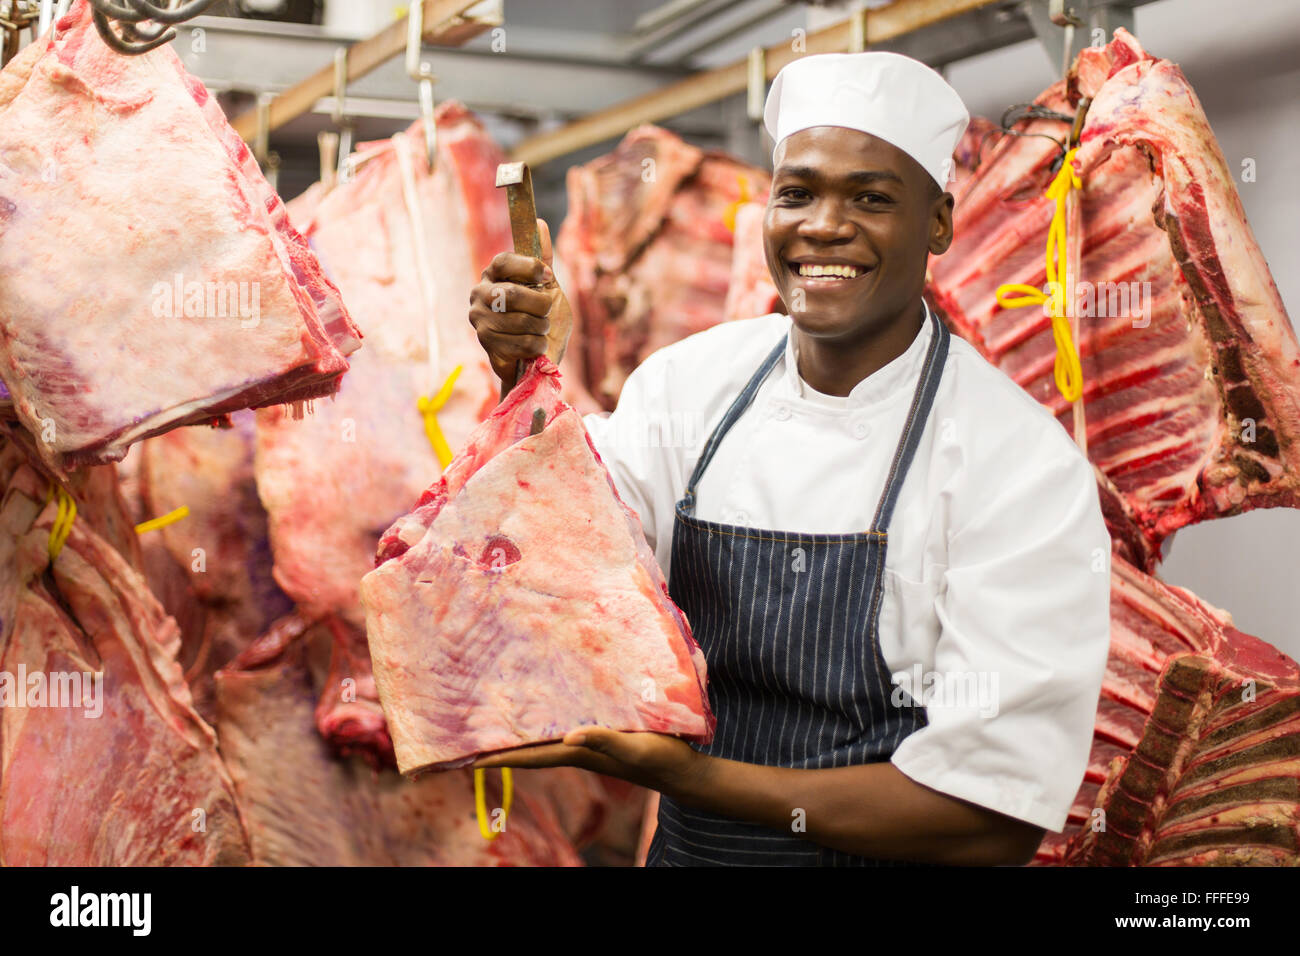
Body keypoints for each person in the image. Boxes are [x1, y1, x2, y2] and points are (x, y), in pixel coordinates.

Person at [468, 51, 1111, 866]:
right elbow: (566, 551)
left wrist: (695, 778)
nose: (823, 226)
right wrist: (523, 372)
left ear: (939, 223)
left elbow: (991, 820)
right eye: (798, 193)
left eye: (871, 198)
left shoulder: (1015, 463)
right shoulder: (689, 385)